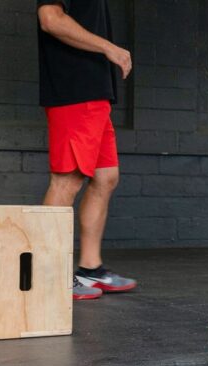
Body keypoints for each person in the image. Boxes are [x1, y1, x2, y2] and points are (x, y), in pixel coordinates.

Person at [37, 0, 136, 300]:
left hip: (95, 94)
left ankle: (90, 268)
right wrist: (108, 47)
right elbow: (50, 19)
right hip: (73, 92)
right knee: (67, 180)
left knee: (106, 177)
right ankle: (49, 275)